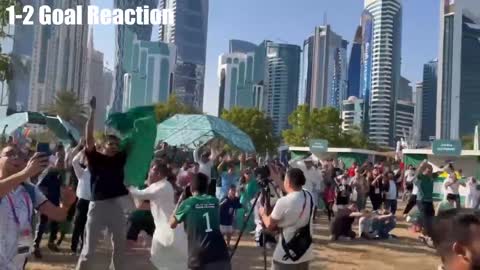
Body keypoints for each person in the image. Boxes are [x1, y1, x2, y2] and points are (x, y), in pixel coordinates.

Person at [0, 146, 76, 270]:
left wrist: (66, 204)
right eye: (9, 154)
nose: (16, 158)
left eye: (21, 156)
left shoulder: (29, 190)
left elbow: (58, 215)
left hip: (17, 263)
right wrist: (25, 173)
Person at [76, 97, 130, 270]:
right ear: (103, 146)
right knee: (89, 251)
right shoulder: (95, 158)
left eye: (116, 144)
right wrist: (92, 113)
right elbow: (89, 137)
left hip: (116, 206)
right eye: (110, 143)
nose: (114, 146)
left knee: (120, 248)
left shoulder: (121, 158)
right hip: (97, 207)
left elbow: (136, 140)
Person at [129, 163, 188, 270]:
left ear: (159, 173)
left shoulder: (162, 186)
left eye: (153, 170)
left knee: (170, 262)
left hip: (170, 232)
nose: (150, 172)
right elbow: (139, 201)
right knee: (164, 261)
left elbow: (138, 194)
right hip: (166, 231)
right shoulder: (160, 185)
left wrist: (129, 184)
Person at [169, 173, 231, 270]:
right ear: (206, 188)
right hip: (220, 255)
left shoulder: (187, 203)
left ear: (190, 188)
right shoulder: (214, 201)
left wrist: (180, 202)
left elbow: (172, 224)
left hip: (198, 257)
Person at [258, 168, 314, 270]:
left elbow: (269, 225)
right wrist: (275, 176)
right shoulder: (309, 195)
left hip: (286, 254)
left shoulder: (283, 202)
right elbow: (290, 191)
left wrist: (262, 214)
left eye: (285, 179)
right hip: (304, 251)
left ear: (288, 182)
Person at [33, 150, 66, 257]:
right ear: (54, 162)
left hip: (55, 201)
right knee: (42, 224)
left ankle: (51, 243)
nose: (61, 164)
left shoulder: (59, 174)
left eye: (62, 163)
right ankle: (35, 246)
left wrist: (61, 199)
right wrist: (44, 200)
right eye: (59, 162)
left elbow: (59, 188)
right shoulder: (47, 172)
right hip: (45, 203)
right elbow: (39, 186)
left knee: (55, 224)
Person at [70, 148, 91, 254]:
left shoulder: (99, 173)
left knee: (87, 227)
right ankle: (73, 248)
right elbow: (74, 161)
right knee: (78, 225)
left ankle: (83, 248)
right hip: (82, 202)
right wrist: (83, 150)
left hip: (92, 203)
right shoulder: (82, 172)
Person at [415, 160, 436, 239]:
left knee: (431, 216)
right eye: (428, 170)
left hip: (429, 201)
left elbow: (441, 172)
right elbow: (417, 174)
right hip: (422, 200)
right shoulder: (421, 178)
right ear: (424, 170)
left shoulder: (430, 177)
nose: (430, 171)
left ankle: (419, 225)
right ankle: (423, 234)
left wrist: (447, 167)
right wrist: (421, 165)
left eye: (431, 170)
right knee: (425, 217)